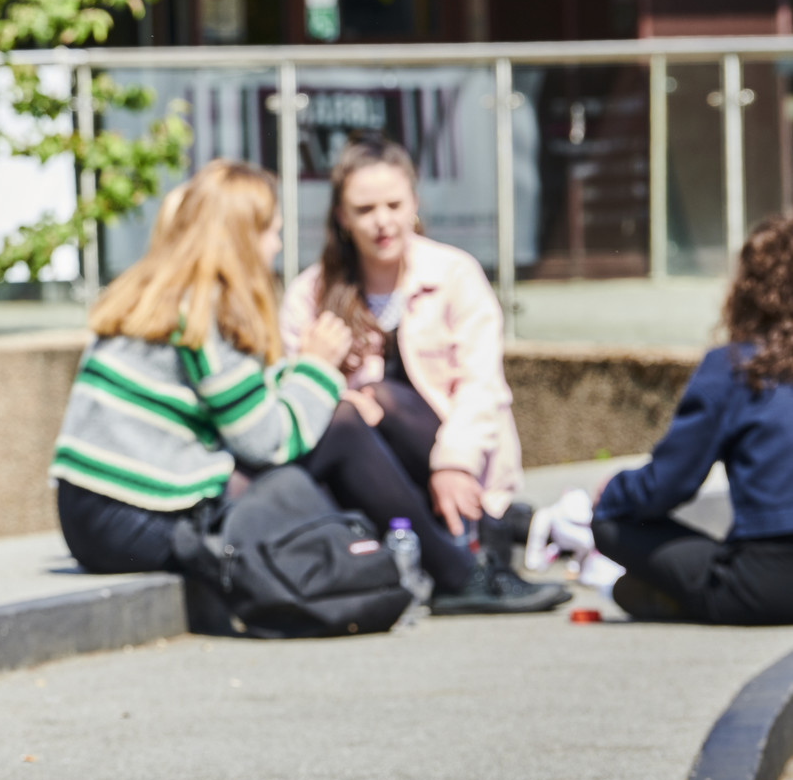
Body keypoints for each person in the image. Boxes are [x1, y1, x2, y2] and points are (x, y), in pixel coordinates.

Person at [52, 158, 563, 614]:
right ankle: (458, 575)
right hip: (138, 521)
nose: (276, 245)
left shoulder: (153, 295)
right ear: (240, 237)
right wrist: (318, 368)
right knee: (340, 428)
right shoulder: (205, 312)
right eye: (271, 232)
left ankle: (449, 559)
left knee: (339, 425)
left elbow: (242, 410)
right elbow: (267, 440)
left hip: (88, 515)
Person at [280, 136, 567, 613]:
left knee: (383, 396)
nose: (383, 221)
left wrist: (453, 462)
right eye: (365, 208)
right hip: (368, 467)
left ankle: (480, 553)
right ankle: (463, 574)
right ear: (341, 216)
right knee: (360, 405)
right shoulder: (309, 294)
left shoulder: (455, 274)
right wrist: (326, 377)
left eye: (394, 204)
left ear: (414, 202)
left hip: (454, 454)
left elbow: (482, 386)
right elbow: (293, 397)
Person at [592, 215, 793, 625]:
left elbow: (670, 483)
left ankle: (674, 594)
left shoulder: (734, 369)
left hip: (765, 585)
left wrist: (611, 492)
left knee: (610, 523)